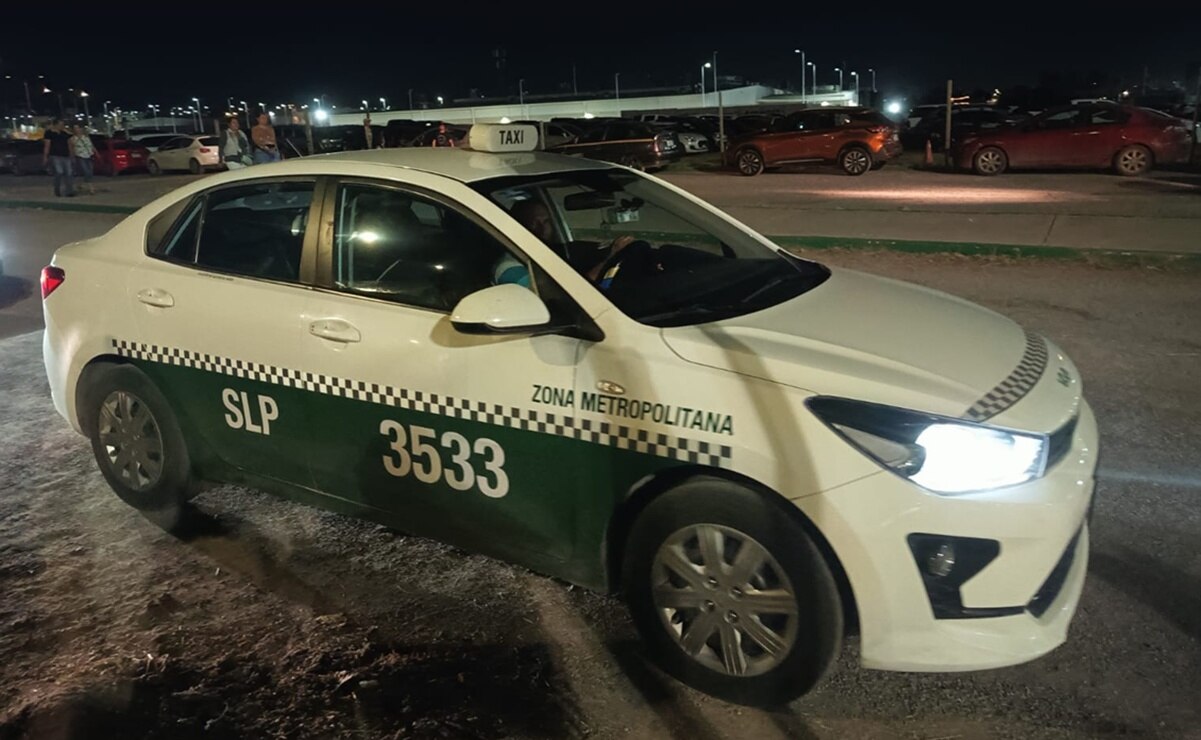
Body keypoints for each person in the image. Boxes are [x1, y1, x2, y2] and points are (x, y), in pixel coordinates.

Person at [495, 198, 635, 288]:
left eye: (546, 221)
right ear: (517, 226)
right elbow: (571, 297)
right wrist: (610, 259)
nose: (542, 229)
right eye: (533, 223)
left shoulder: (548, 255)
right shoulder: (510, 269)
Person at [42, 119, 75, 197]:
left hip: (66, 155)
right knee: (59, 172)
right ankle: (57, 189)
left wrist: (72, 155)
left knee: (69, 173)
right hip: (55, 155)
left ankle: (69, 191)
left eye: (63, 125)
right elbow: (47, 145)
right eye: (60, 125)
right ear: (55, 125)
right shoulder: (49, 133)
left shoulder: (65, 133)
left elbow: (70, 144)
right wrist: (45, 156)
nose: (62, 126)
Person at [69, 124, 97, 195]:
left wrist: (96, 152)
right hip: (80, 156)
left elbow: (91, 145)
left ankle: (80, 184)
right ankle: (91, 188)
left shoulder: (86, 137)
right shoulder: (72, 139)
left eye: (78, 128)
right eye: (75, 128)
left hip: (89, 154)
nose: (77, 130)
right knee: (86, 171)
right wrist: (72, 157)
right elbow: (71, 149)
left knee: (90, 170)